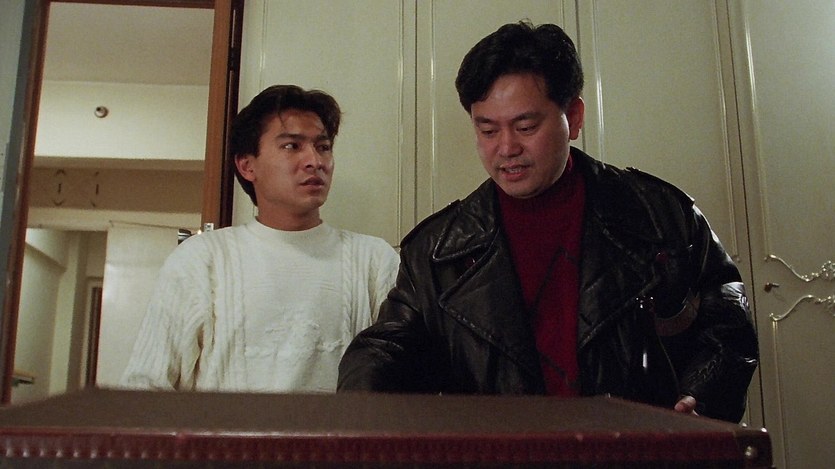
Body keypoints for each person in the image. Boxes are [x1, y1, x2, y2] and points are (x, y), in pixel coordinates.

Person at [337, 22, 758, 422]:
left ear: (574, 117)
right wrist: (364, 400)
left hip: (636, 449)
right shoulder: (437, 250)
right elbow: (389, 346)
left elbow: (726, 314)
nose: (506, 148)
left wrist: (702, 395)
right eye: (487, 130)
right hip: (503, 454)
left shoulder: (657, 213)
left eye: (525, 126)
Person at [122, 85, 399, 393]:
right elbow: (146, 385)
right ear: (247, 165)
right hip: (226, 427)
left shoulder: (374, 260)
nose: (314, 161)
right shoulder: (202, 259)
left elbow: (406, 381)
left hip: (345, 427)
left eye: (323, 147)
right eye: (292, 146)